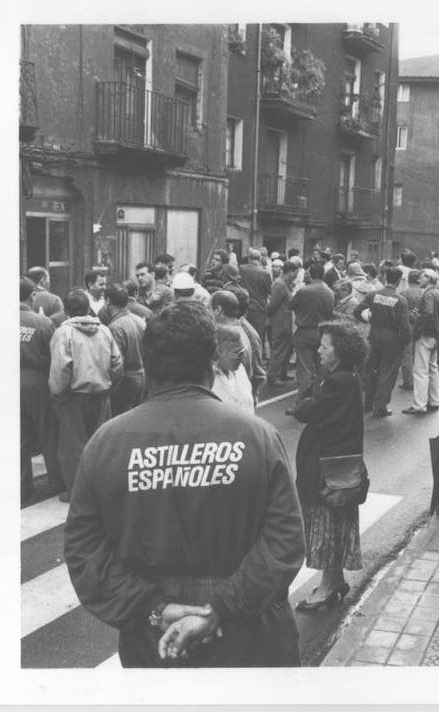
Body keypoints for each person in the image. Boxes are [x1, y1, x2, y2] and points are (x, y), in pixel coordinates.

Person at [64, 300, 304, 667]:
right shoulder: (258, 437)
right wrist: (219, 609)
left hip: (155, 637)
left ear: (147, 363)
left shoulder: (105, 442)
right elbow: (285, 542)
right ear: (210, 360)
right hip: (249, 634)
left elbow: (85, 551)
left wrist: (155, 609)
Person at [291, 319, 368, 611]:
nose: (320, 351)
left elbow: (307, 409)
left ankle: (327, 586)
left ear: (341, 351)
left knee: (326, 522)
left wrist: (304, 404)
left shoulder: (339, 381)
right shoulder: (342, 377)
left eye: (325, 346)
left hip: (327, 466)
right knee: (333, 522)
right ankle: (333, 580)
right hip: (336, 464)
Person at [49, 289, 123, 501]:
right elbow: (117, 364)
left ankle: (77, 493)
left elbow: (60, 368)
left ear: (66, 310)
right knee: (101, 444)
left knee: (72, 448)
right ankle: (101, 489)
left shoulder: (64, 333)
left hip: (74, 396)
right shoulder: (105, 331)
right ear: (88, 308)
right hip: (101, 394)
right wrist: (109, 386)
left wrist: (57, 393)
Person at [20, 277, 64, 500]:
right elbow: (54, 355)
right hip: (38, 380)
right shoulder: (42, 323)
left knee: (19, 436)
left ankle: (22, 485)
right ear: (31, 296)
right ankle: (56, 480)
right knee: (48, 431)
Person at [354, 266, 409, 418]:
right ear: (398, 281)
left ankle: (368, 402)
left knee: (373, 370)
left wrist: (370, 318)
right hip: (392, 339)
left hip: (375, 335)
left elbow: (357, 312)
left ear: (385, 278)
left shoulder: (373, 295)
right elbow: (404, 325)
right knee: (387, 373)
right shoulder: (400, 300)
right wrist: (405, 341)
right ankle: (380, 407)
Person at [287, 261, 334, 413]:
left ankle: (302, 403)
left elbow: (291, 305)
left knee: (304, 368)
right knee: (321, 367)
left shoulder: (304, 291)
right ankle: (319, 400)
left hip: (304, 331)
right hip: (322, 332)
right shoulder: (330, 292)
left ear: (310, 274)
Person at [404, 269, 439, 415]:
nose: (419, 278)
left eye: (423, 276)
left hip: (426, 334)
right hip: (436, 335)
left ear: (429, 279)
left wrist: (417, 319)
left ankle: (419, 405)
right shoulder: (438, 292)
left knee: (420, 370)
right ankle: (434, 400)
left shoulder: (427, 294)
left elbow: (428, 313)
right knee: (433, 368)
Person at [105, 283, 146, 416]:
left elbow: (117, 364)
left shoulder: (115, 327)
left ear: (108, 301)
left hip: (125, 383)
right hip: (142, 378)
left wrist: (111, 388)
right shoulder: (139, 320)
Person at [266, 260, 299, 386]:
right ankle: (273, 376)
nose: (296, 276)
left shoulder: (286, 284)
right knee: (279, 350)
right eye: (295, 273)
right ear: (289, 272)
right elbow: (272, 306)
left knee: (286, 349)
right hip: (280, 323)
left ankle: (282, 373)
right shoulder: (279, 285)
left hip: (286, 323)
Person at [211, 324, 254, 415]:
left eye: (243, 352)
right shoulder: (207, 380)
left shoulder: (240, 370)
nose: (242, 358)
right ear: (219, 351)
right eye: (237, 353)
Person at [239, 248, 273, 348]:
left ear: (249, 258)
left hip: (244, 306)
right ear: (260, 258)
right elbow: (269, 291)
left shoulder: (242, 269)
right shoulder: (265, 273)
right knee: (257, 335)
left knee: (244, 333)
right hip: (259, 308)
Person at [399, 269, 424, 390]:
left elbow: (401, 312)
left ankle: (408, 381)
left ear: (409, 280)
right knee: (419, 353)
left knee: (407, 354)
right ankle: (419, 380)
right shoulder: (424, 292)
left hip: (407, 325)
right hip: (420, 325)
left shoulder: (404, 293)